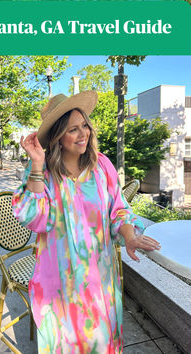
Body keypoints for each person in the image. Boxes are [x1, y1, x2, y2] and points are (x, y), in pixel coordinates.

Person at [12, 91, 161, 353]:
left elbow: (119, 210)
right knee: (66, 344)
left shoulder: (102, 166)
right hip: (59, 280)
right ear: (58, 137)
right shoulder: (42, 173)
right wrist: (36, 164)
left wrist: (129, 236)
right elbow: (33, 218)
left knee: (100, 343)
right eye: (73, 130)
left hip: (98, 279)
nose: (83, 134)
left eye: (84, 126)